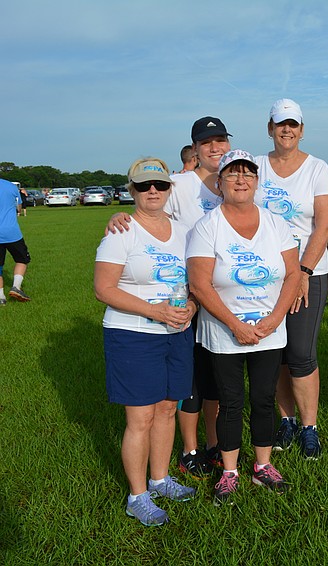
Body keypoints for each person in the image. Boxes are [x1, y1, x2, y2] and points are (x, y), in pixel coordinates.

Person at [105, 116, 232, 476]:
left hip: (218, 297)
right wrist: (119, 217)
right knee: (184, 387)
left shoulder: (238, 179)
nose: (215, 148)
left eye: (220, 140)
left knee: (212, 378)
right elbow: (146, 218)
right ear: (194, 149)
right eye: (207, 142)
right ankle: (188, 452)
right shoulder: (177, 183)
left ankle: (211, 446)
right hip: (174, 308)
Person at [187, 150, 301, 506]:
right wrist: (236, 325)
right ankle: (230, 471)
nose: (241, 180)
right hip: (224, 333)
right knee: (231, 402)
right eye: (233, 174)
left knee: (264, 400)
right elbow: (200, 284)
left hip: (269, 331)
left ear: (256, 181)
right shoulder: (208, 226)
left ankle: (263, 466)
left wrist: (274, 319)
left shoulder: (275, 223)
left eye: (248, 174)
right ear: (219, 182)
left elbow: (294, 274)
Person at [93, 157, 197, 526]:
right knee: (141, 417)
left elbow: (197, 281)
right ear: (131, 191)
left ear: (170, 189)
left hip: (177, 333)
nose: (152, 191)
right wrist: (155, 312)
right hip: (132, 334)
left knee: (168, 409)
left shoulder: (187, 230)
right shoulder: (123, 231)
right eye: (143, 186)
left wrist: (192, 305)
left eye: (159, 185)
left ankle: (160, 478)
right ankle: (137, 496)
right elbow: (103, 289)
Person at [255, 98, 328, 460]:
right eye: (279, 124)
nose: (286, 130)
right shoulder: (255, 166)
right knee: (276, 355)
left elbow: (324, 225)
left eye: (292, 124)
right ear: (270, 128)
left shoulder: (317, 168)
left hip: (308, 273)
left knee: (301, 354)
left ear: (301, 130)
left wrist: (303, 270)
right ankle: (285, 421)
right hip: (263, 277)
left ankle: (309, 427)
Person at [0, 178, 31, 304]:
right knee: (22, 259)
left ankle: (1, 297)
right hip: (12, 232)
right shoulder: (11, 186)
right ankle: (16, 287)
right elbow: (18, 207)